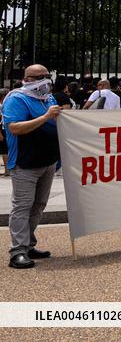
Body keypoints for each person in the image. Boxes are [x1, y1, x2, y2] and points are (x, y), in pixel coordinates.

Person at [3, 64, 60, 269]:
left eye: (46, 76)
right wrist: (45, 117)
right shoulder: (16, 99)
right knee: (22, 206)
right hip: (25, 163)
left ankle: (28, 244)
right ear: (26, 79)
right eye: (38, 77)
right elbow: (14, 127)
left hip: (48, 161)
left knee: (38, 205)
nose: (44, 80)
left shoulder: (48, 98)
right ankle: (17, 251)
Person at [0, 88, 9, 177]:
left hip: (6, 129)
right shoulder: (1, 105)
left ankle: (8, 169)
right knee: (5, 151)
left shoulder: (5, 104)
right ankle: (7, 170)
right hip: (3, 130)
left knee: (6, 150)